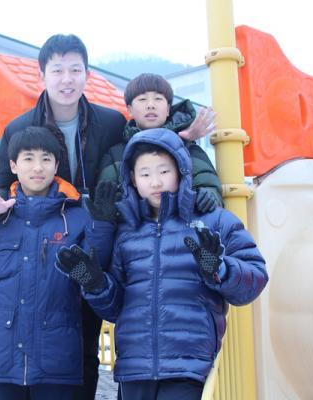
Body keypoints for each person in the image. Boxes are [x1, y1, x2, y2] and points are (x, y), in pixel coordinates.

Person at [55, 128, 268, 400]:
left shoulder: (214, 220)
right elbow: (115, 308)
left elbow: (255, 278)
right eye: (145, 174)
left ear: (181, 171)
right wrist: (96, 284)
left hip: (188, 368)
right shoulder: (126, 230)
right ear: (132, 179)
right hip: (134, 369)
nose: (155, 182)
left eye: (164, 171)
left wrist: (219, 269)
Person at [0, 127, 114, 400]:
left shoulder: (77, 218)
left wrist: (103, 226)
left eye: (46, 159)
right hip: (2, 360)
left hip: (57, 360)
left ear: (56, 166)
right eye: (28, 158)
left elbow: (96, 271)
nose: (37, 167)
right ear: (14, 165)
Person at [0, 33, 126, 400]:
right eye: (58, 70)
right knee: (37, 342)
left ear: (87, 75)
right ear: (42, 75)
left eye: (75, 70)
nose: (67, 79)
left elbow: (145, 151)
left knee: (85, 345)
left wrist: (187, 133)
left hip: (93, 244)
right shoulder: (19, 129)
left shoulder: (112, 123)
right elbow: (3, 187)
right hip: (40, 251)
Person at [98, 73, 222, 213]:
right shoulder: (115, 155)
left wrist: (208, 196)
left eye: (158, 99)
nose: (151, 105)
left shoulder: (188, 148)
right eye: (142, 99)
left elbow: (207, 182)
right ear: (130, 109)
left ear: (168, 109)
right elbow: (105, 195)